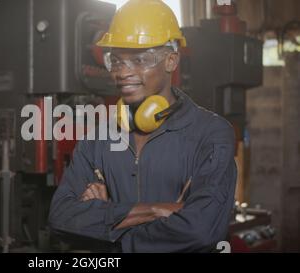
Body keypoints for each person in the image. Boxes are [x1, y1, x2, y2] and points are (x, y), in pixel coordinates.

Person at [48, 0, 237, 252]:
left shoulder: (211, 135)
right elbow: (61, 217)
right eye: (115, 60)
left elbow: (201, 229)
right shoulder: (98, 140)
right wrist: (157, 210)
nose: (122, 72)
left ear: (171, 60)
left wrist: (106, 224)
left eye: (139, 59)